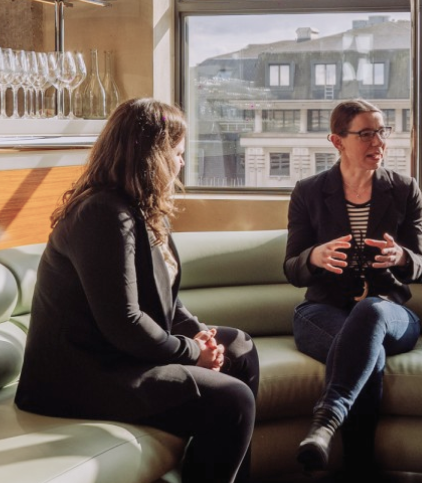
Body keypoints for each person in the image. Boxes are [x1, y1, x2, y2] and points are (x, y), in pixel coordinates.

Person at [15, 98, 260, 483]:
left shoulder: (143, 209)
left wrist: (203, 337)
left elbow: (166, 299)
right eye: (177, 153)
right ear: (153, 157)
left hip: (121, 355)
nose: (181, 163)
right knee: (233, 399)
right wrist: (192, 351)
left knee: (240, 348)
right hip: (81, 375)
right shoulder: (102, 214)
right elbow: (124, 322)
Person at [284, 98, 422, 479]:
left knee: (370, 312)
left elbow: (421, 265)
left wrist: (401, 256)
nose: (379, 142)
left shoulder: (403, 189)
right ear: (337, 141)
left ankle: (326, 420)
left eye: (382, 132)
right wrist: (315, 256)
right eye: (366, 134)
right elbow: (292, 268)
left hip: (390, 313)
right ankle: (359, 472)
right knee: (367, 353)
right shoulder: (309, 191)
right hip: (322, 312)